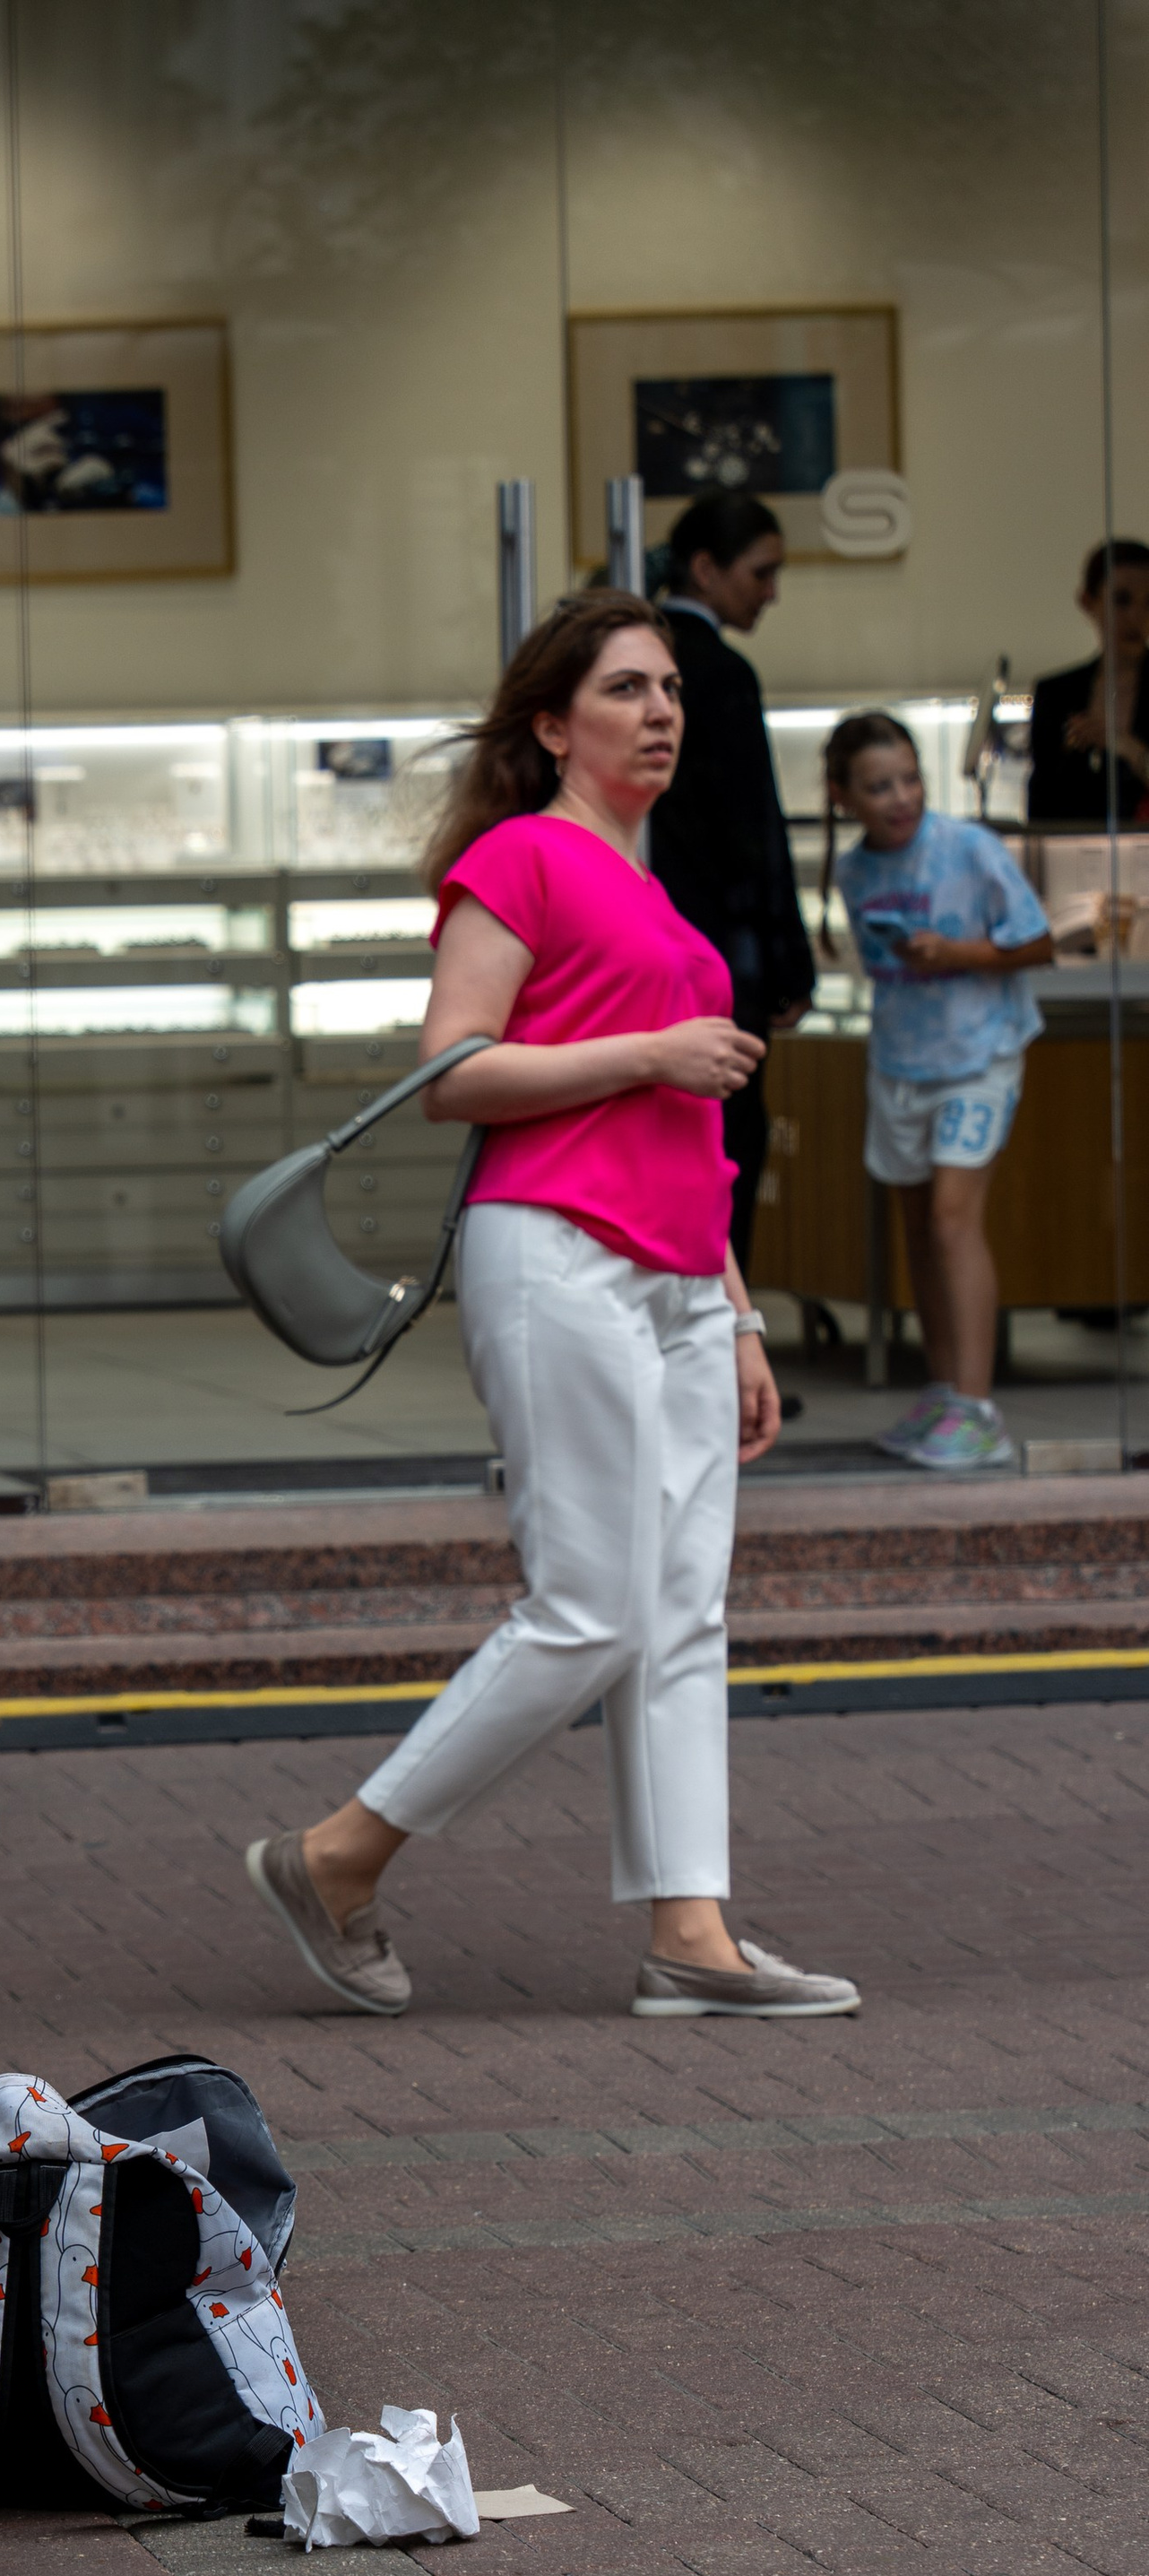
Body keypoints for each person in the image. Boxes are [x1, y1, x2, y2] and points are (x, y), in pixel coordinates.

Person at [245, 591, 858, 2024]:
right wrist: (647, 1048)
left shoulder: (654, 890)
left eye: (672, 693)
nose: (661, 712)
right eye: (628, 688)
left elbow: (686, 1141)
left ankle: (690, 1934)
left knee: (680, 1612)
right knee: (590, 1606)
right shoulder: (519, 859)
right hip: (558, 1249)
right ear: (550, 721)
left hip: (678, 1277)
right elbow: (451, 1070)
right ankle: (340, 1854)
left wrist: (743, 1312)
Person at [824, 711, 1052, 1473]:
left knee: (956, 1222)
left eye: (909, 779)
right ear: (842, 797)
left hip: (978, 1056)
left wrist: (955, 952)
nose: (899, 798)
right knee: (918, 1231)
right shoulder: (853, 872)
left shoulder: (970, 849)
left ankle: (981, 1408)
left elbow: (1038, 940)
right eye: (878, 786)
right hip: (900, 1062)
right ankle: (947, 1387)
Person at [648, 490, 816, 1272]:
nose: (772, 591)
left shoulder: (638, 655)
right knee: (729, 1143)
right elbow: (754, 829)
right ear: (706, 568)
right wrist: (790, 958)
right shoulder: (718, 671)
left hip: (647, 940)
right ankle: (725, 1347)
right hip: (719, 950)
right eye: (762, 571)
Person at [1027, 538, 1149, 827]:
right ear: (1088, 601)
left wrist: (1129, 748)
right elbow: (1041, 803)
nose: (1136, 617)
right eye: (1121, 600)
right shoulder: (1055, 694)